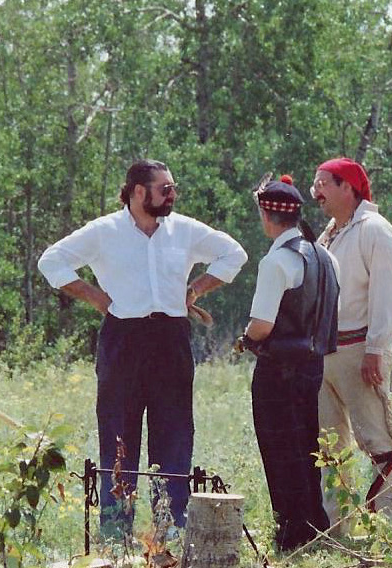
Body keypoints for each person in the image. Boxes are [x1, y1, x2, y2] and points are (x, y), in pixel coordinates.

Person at [38, 159, 248, 539]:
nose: (172, 194)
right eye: (164, 188)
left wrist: (196, 289)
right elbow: (51, 261)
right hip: (123, 337)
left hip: (171, 337)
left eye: (172, 188)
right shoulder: (104, 231)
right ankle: (116, 533)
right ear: (138, 192)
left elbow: (234, 254)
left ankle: (171, 527)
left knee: (174, 430)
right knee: (118, 430)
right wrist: (94, 296)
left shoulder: (183, 229)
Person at [310, 157, 392, 534]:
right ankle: (336, 529)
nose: (317, 191)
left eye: (324, 182)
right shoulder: (331, 232)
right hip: (324, 352)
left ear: (348, 187)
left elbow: (388, 294)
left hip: (360, 349)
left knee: (376, 439)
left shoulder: (375, 230)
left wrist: (376, 348)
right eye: (316, 183)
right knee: (329, 445)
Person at [235, 174, 340, 551]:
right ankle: (315, 526)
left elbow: (261, 326)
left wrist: (245, 340)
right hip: (313, 367)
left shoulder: (277, 261)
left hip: (278, 370)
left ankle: (292, 533)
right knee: (307, 446)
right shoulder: (325, 256)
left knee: (280, 450)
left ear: (267, 216)